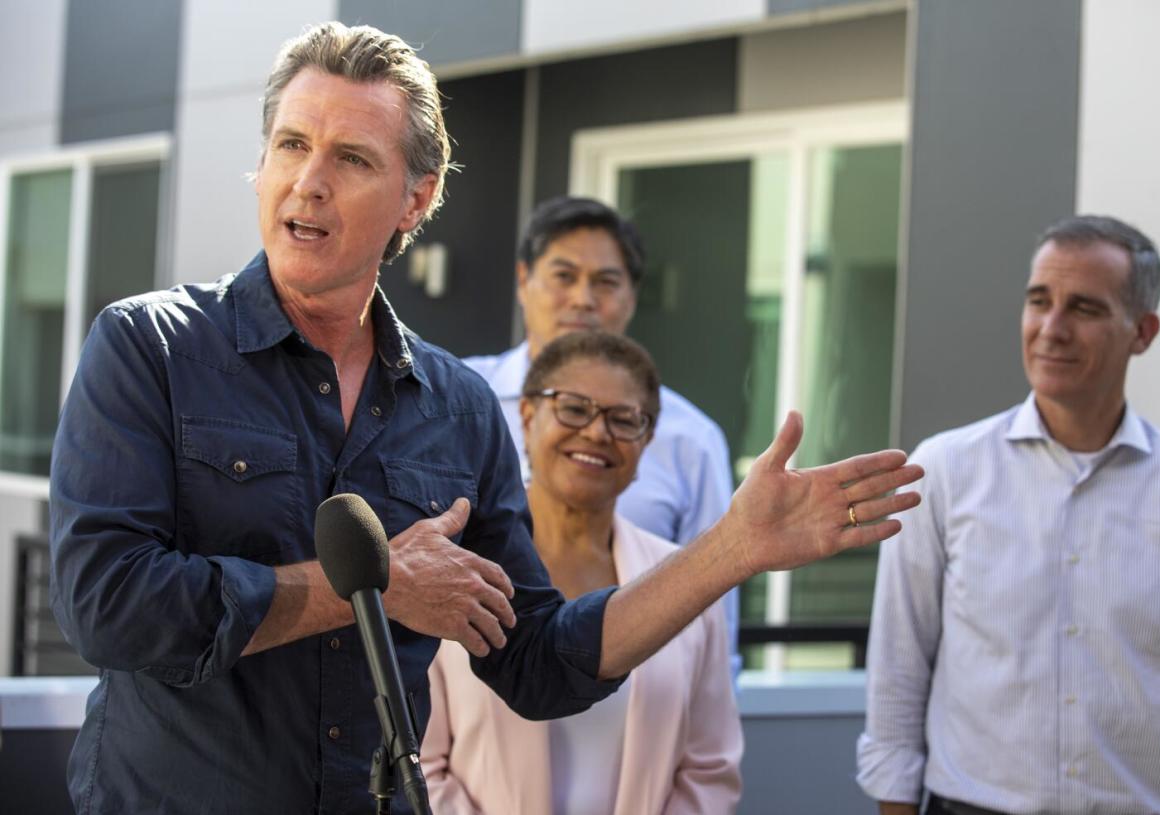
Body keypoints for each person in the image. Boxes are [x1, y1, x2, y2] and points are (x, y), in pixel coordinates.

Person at [48, 21, 921, 814]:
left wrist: (733, 549)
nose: (308, 182)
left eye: (351, 158)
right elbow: (106, 605)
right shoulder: (148, 347)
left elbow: (536, 657)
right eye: (291, 144)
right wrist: (371, 585)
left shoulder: (458, 406)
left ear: (416, 201)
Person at [857, 215, 1160, 815]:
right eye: (1039, 301)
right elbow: (897, 670)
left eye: (1085, 309)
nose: (1051, 330)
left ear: (1143, 331)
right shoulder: (944, 472)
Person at [424, 331, 742, 814]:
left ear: (647, 440)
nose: (597, 432)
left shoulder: (688, 577)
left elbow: (709, 769)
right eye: (573, 408)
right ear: (527, 418)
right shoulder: (454, 565)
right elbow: (422, 764)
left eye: (623, 419)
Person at [465, 196, 741, 674]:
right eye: (564, 276)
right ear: (523, 281)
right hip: (473, 694)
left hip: (644, 697)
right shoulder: (459, 403)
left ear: (632, 297)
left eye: (606, 282)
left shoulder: (690, 439)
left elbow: (713, 610)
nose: (583, 299)